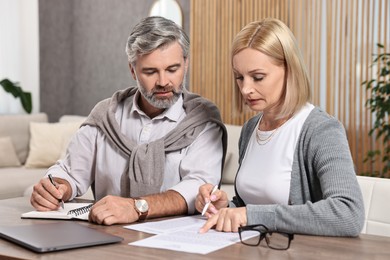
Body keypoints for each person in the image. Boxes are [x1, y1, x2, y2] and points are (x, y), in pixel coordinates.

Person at [30, 16, 227, 225]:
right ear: (132, 70)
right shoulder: (106, 116)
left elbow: (198, 186)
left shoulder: (203, 120)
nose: (163, 82)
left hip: (176, 243)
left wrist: (136, 207)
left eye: (172, 69)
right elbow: (70, 172)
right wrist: (56, 188)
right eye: (150, 72)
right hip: (105, 236)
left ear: (186, 64)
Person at [196, 18, 364, 237]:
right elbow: (252, 205)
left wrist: (250, 215)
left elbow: (349, 214)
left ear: (289, 70)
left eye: (258, 77)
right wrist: (227, 209)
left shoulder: (320, 130)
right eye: (240, 77)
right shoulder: (250, 129)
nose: (246, 89)